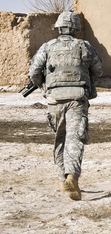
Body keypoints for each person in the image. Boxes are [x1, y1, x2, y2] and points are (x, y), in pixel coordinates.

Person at [29, 11, 103, 201]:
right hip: (77, 99)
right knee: (75, 138)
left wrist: (44, 86)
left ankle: (64, 178)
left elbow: (35, 72)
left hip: (55, 100)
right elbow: (99, 69)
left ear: (59, 28)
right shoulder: (84, 46)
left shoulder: (47, 47)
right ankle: (72, 176)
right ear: (75, 29)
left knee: (60, 139)